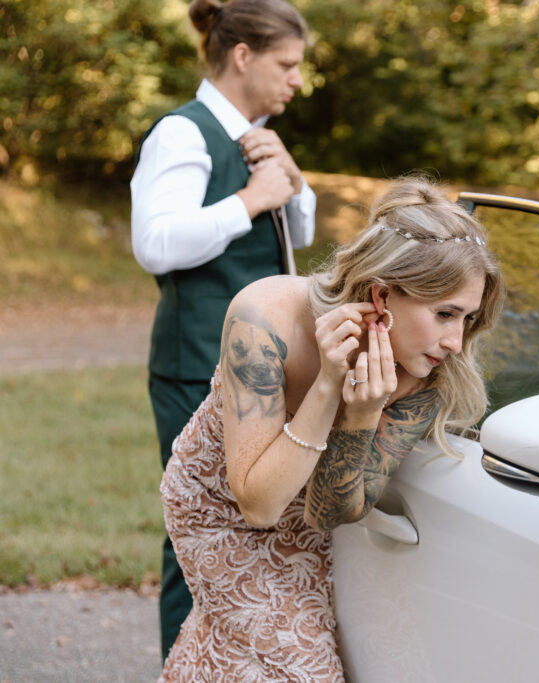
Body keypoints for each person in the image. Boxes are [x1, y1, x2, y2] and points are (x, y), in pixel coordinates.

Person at [158, 177, 505, 679]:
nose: (456, 340)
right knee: (304, 669)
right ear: (381, 297)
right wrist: (328, 385)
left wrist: (362, 417)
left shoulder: (427, 376)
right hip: (222, 509)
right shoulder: (265, 317)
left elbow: (328, 513)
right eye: (445, 314)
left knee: (242, 656)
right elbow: (258, 504)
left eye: (468, 319)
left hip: (313, 533)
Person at [129, 0, 316, 659]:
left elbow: (301, 237)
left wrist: (288, 178)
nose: (298, 79)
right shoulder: (183, 134)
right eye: (287, 64)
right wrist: (250, 199)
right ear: (244, 56)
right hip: (196, 360)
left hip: (265, 364)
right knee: (199, 533)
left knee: (259, 529)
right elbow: (154, 243)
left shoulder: (261, 137)